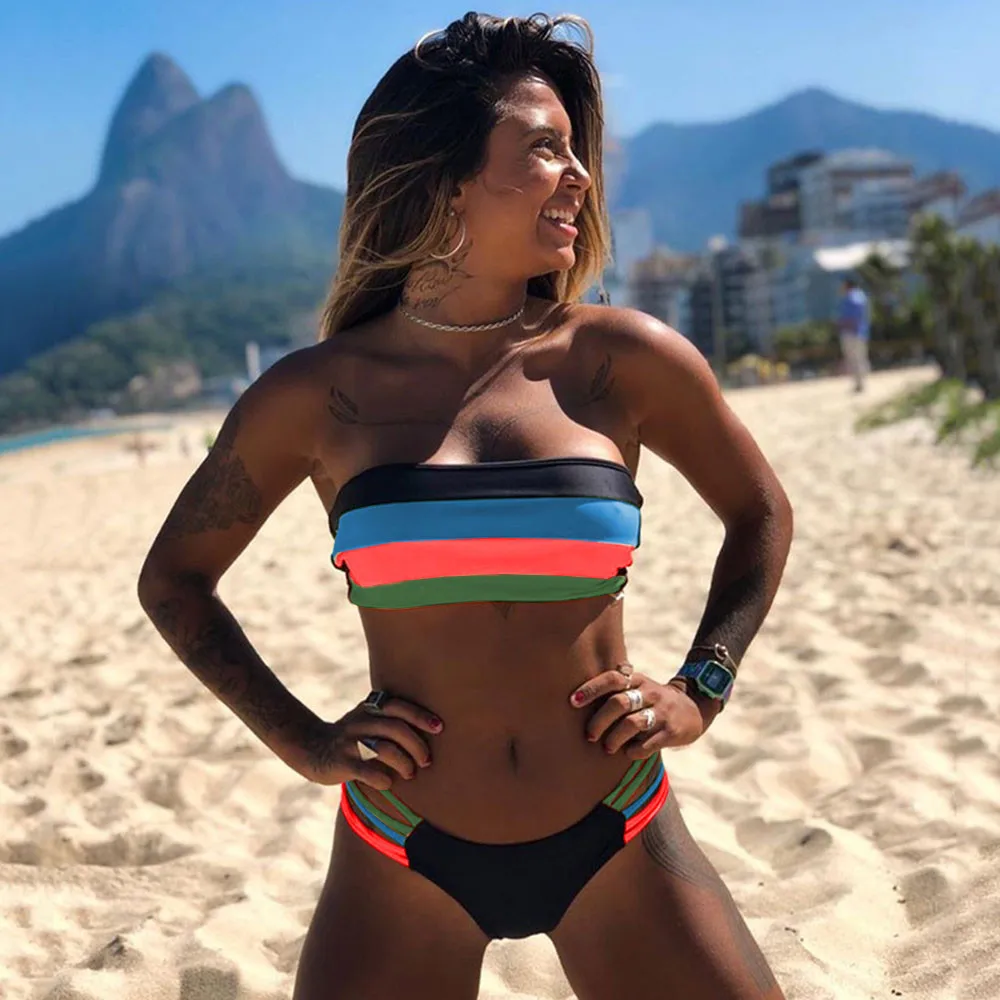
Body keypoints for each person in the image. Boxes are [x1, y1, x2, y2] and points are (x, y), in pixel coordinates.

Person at [138, 13, 794, 1000]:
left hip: (618, 826)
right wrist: (303, 740)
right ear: (445, 179)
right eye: (544, 149)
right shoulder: (317, 395)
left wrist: (699, 686)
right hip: (399, 846)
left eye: (576, 151)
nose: (580, 177)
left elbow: (761, 513)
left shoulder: (620, 359)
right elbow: (175, 581)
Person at [836, 276, 870, 392]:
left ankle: (859, 383)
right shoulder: (861, 296)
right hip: (861, 331)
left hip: (851, 332)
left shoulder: (851, 297)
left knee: (854, 358)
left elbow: (852, 316)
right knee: (860, 357)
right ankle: (861, 382)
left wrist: (843, 325)